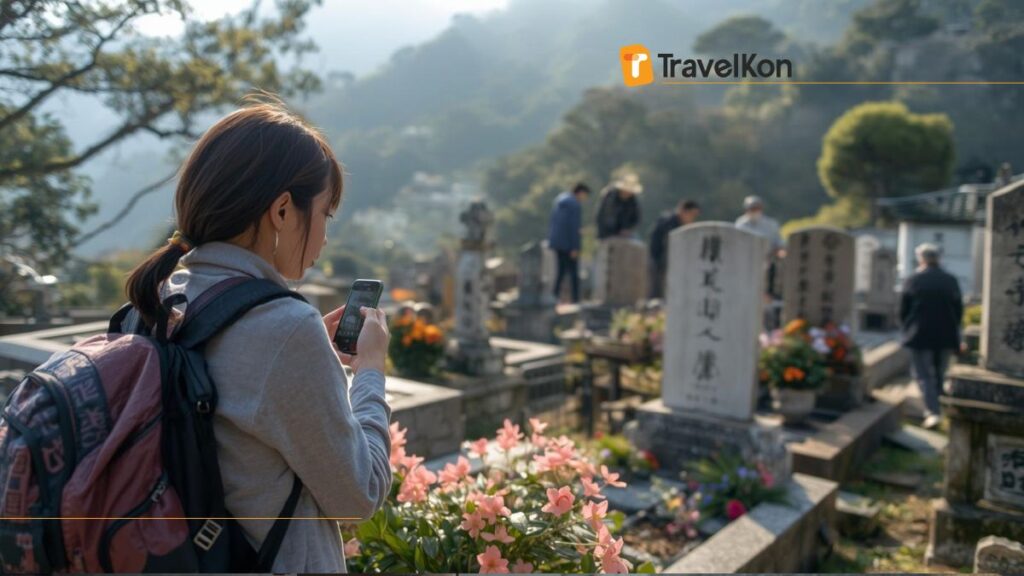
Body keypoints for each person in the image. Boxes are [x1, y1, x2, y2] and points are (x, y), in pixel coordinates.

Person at [124, 99, 392, 572]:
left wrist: (312, 362)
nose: (325, 236)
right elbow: (359, 496)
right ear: (283, 210)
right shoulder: (284, 329)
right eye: (325, 214)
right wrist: (369, 371)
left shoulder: (156, 300)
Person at [899, 243, 963, 430]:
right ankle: (940, 407)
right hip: (946, 334)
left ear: (921, 258)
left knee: (924, 375)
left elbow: (903, 310)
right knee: (939, 373)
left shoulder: (913, 279)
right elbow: (958, 310)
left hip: (920, 334)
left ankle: (933, 412)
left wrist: (906, 329)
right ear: (938, 258)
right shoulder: (950, 279)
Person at [547, 182, 590, 302]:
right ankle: (575, 299)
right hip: (569, 244)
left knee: (560, 272)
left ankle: (554, 297)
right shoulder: (574, 205)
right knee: (574, 273)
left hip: (557, 242)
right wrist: (575, 247)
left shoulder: (560, 201)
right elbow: (573, 227)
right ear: (580, 192)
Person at [648, 199, 700, 299]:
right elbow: (665, 246)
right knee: (657, 293)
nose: (692, 219)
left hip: (667, 263)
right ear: (683, 210)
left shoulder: (676, 222)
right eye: (692, 215)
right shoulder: (669, 223)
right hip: (660, 262)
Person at [596, 172, 642, 240]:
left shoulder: (633, 200)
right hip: (607, 233)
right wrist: (617, 231)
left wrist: (627, 229)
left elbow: (636, 218)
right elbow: (604, 217)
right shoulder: (610, 197)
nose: (627, 193)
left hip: (626, 234)